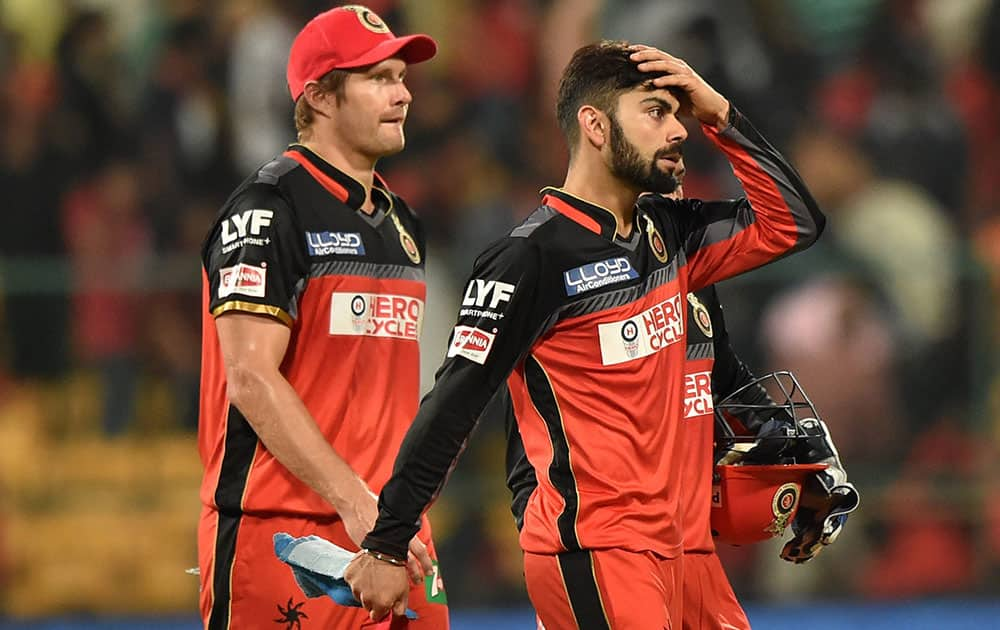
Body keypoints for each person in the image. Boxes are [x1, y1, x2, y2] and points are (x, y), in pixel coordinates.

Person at [346, 40, 825, 627]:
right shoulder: (529, 258)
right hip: (599, 550)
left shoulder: (672, 236)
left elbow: (794, 225)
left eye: (679, 114)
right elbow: (455, 405)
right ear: (595, 126)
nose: (678, 129)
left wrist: (720, 116)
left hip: (687, 551)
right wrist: (387, 543)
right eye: (655, 111)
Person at [502, 162, 857, 629]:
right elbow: (526, 434)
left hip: (688, 551)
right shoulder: (567, 276)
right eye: (664, 186)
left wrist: (790, 447)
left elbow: (725, 377)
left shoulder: (691, 279)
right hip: (602, 548)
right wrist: (565, 556)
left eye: (681, 184)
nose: (681, 198)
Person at [196, 6, 448, 629]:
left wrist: (393, 514)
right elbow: (250, 377)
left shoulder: (401, 223)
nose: (403, 94)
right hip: (285, 538)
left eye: (402, 76)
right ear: (320, 98)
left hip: (398, 537)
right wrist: (355, 502)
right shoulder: (268, 207)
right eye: (379, 78)